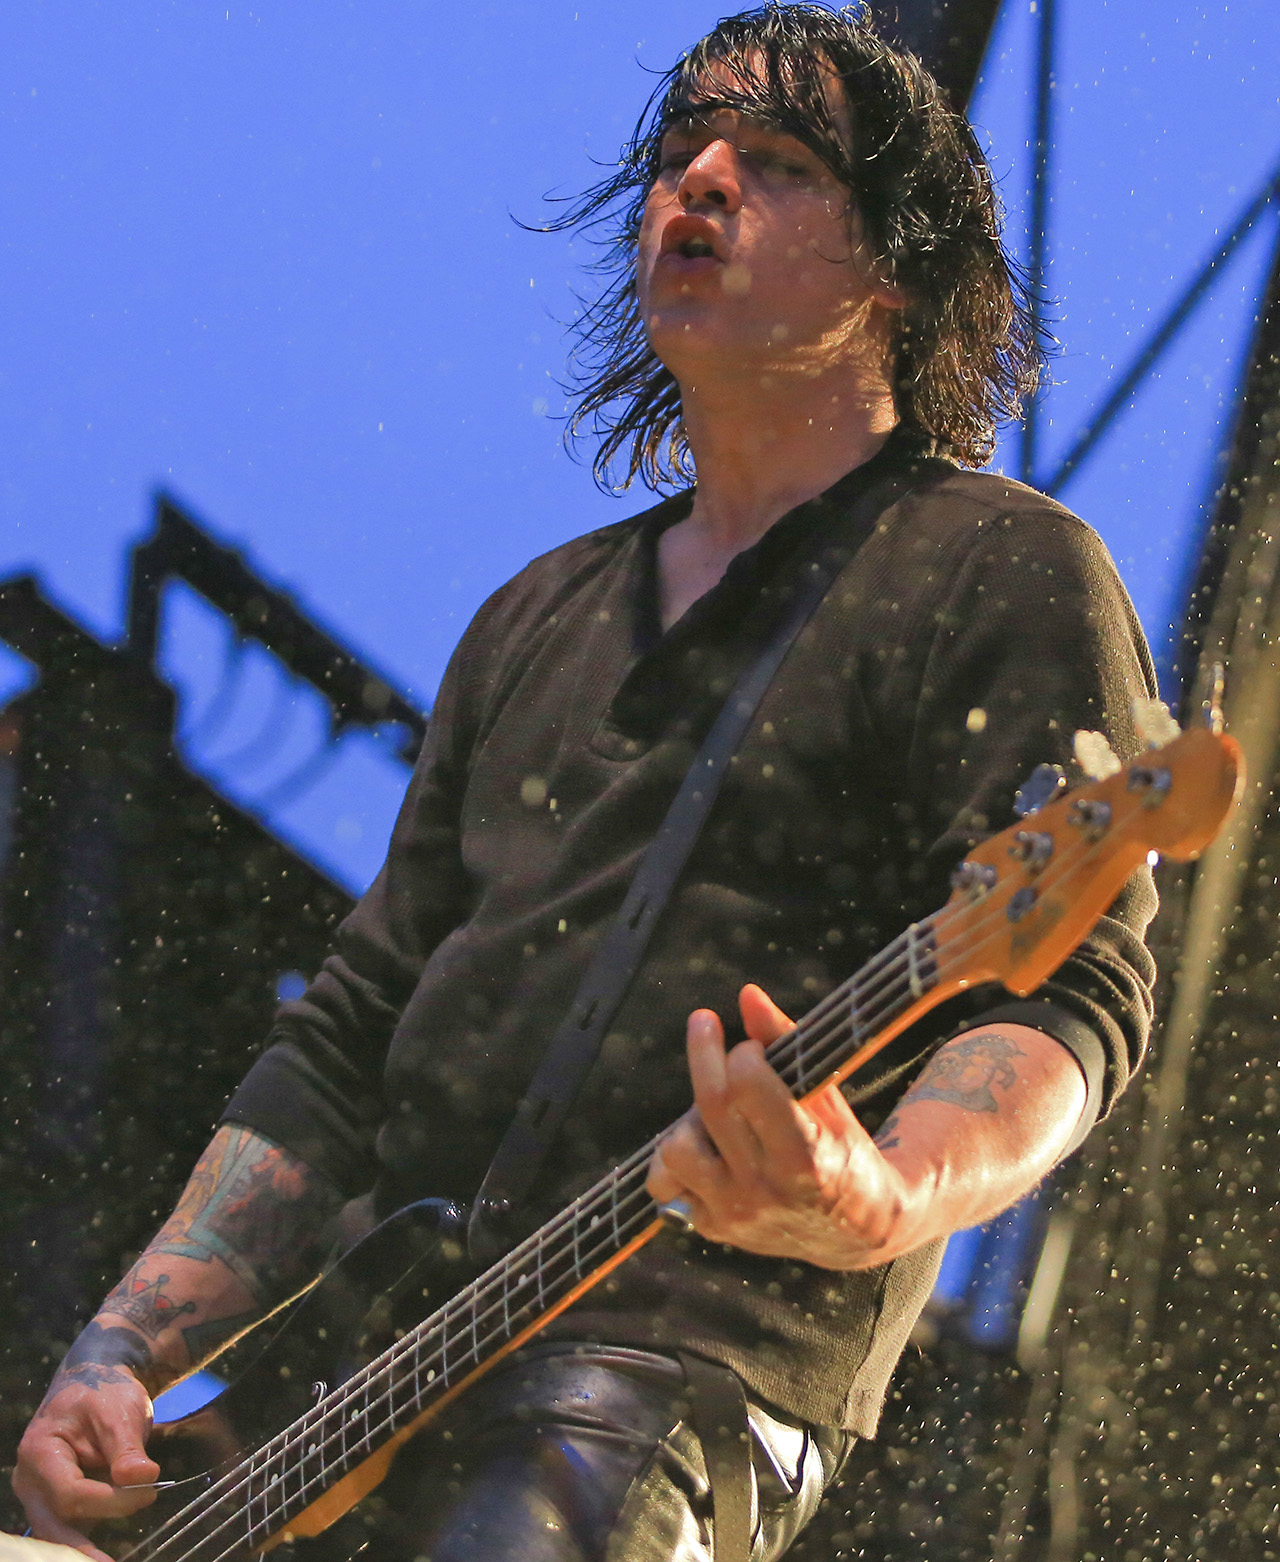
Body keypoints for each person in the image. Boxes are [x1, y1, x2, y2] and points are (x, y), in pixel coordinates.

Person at [13, 6, 1159, 1560]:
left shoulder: (1005, 570)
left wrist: (881, 1195)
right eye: (681, 149)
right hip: (340, 1387)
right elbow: (346, 1040)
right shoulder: (533, 616)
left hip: (671, 1364)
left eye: (770, 160)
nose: (696, 181)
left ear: (896, 263)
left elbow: (1072, 995)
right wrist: (121, 1346)